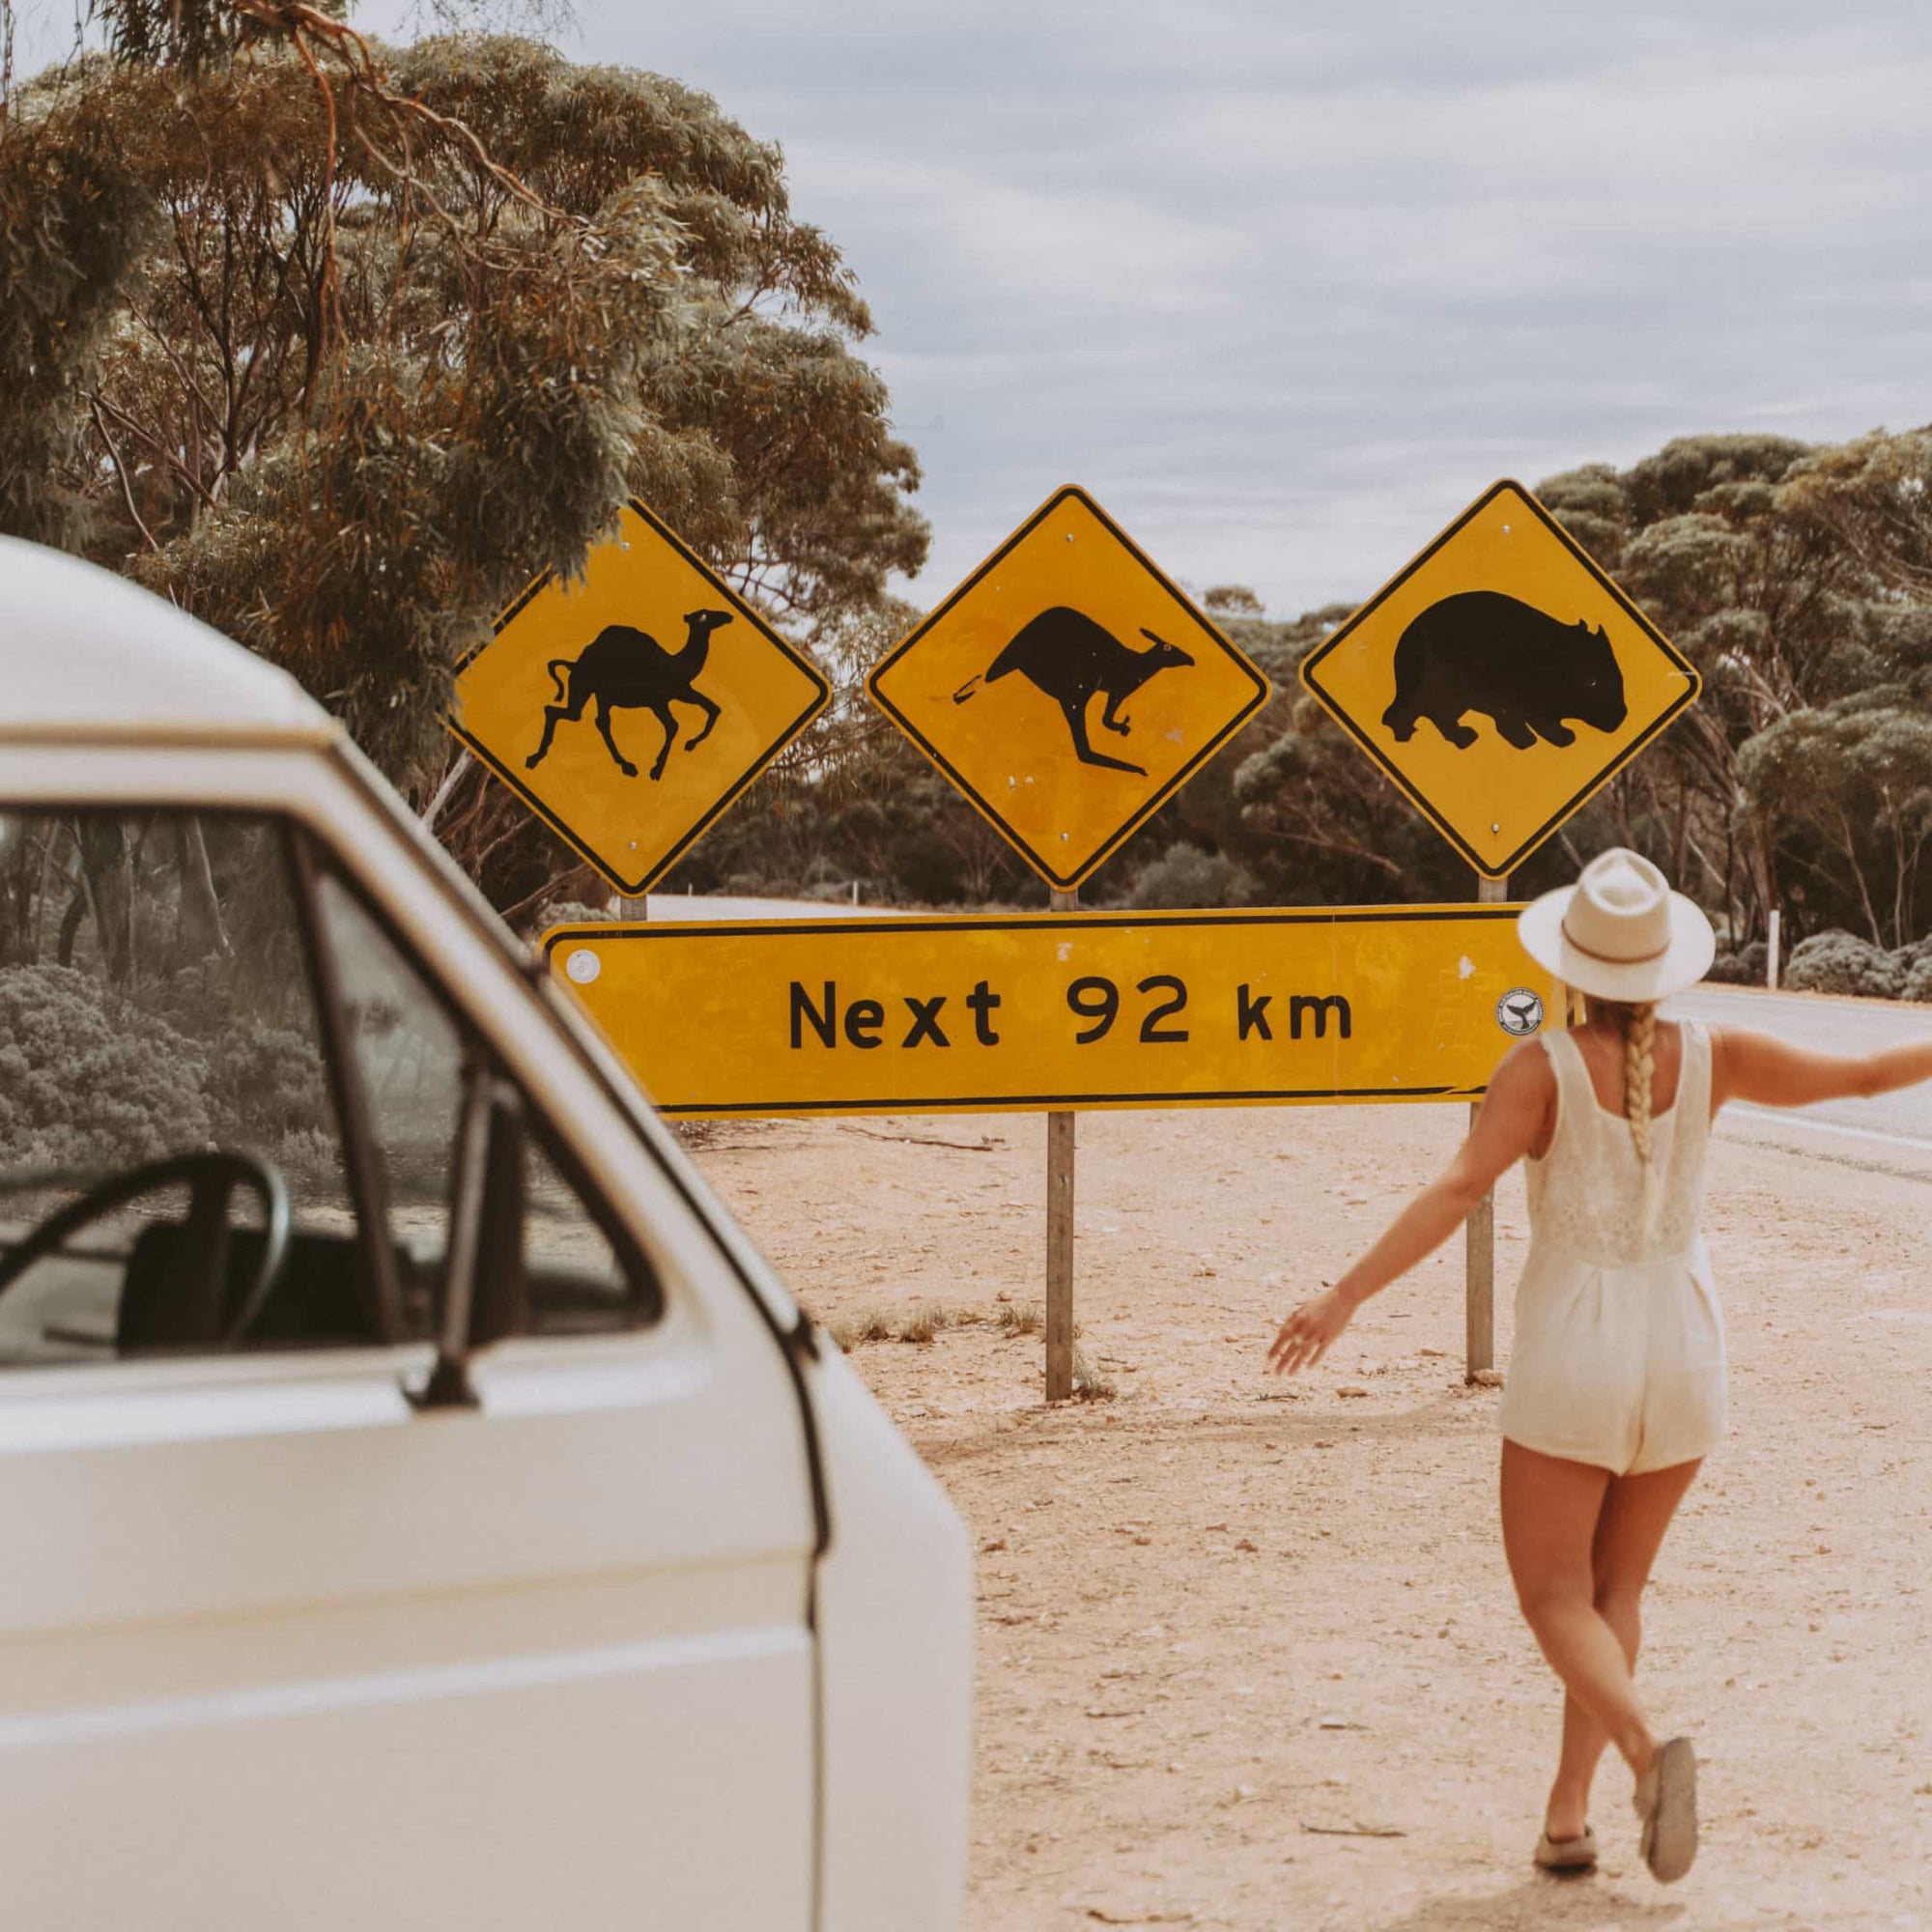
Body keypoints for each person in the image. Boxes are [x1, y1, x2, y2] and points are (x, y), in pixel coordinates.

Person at [1267, 848, 1932, 1885]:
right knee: (1614, 1588)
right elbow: (1857, 1075)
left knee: (1549, 1593)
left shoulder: (1536, 1067)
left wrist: (1343, 1292)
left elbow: (1456, 1189)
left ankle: (1636, 1752)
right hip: (1683, 1340)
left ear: (1571, 965)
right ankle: (1565, 1819)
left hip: (1575, 1347)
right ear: (1663, 968)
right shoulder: (1715, 1051)